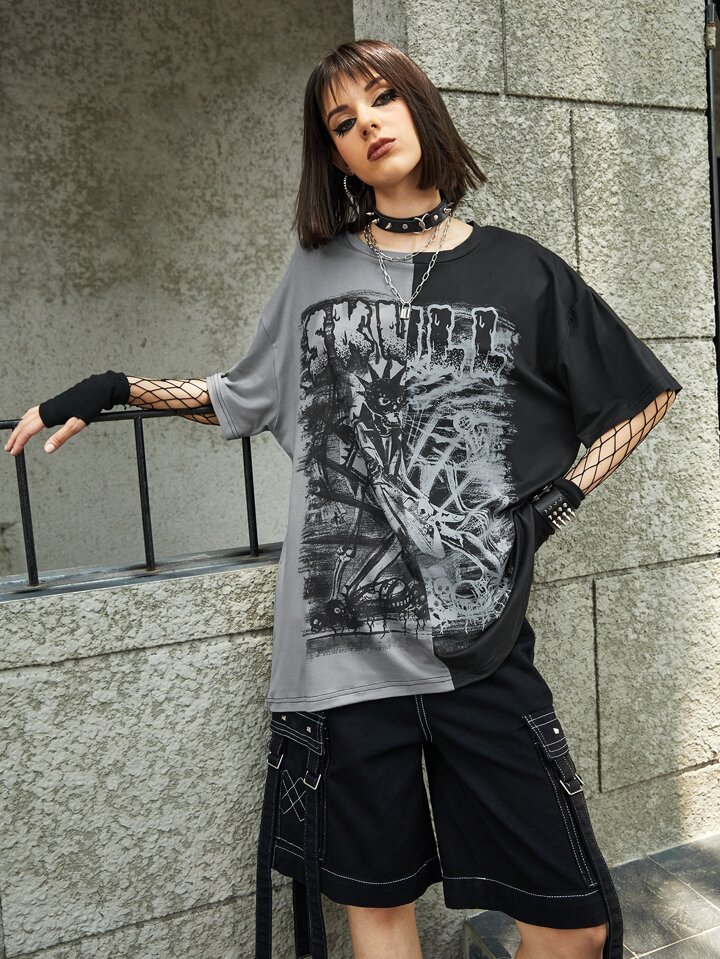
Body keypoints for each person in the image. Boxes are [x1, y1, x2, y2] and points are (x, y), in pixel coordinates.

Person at [4, 38, 682, 959]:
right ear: (335, 155)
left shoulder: (522, 271)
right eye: (342, 121)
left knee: (576, 924)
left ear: (418, 106)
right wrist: (117, 387)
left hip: (477, 649)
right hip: (341, 655)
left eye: (382, 100)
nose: (367, 125)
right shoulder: (316, 268)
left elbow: (642, 397)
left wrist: (551, 504)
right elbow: (241, 395)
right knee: (378, 912)